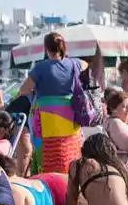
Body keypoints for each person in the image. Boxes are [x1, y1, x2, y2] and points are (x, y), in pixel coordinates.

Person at [17, 32, 95, 176]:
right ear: (63, 46)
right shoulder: (75, 63)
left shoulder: (39, 68)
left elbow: (24, 89)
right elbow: (85, 65)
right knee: (69, 148)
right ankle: (70, 178)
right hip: (70, 115)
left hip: (46, 117)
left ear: (46, 48)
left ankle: (47, 180)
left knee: (46, 151)